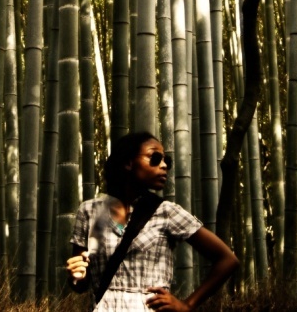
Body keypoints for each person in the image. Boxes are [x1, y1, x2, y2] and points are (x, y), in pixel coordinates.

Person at [65, 132, 239, 311]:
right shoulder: (90, 211)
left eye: (166, 161)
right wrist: (76, 275)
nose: (164, 165)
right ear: (128, 162)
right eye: (155, 158)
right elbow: (80, 285)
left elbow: (227, 259)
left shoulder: (167, 212)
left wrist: (188, 305)